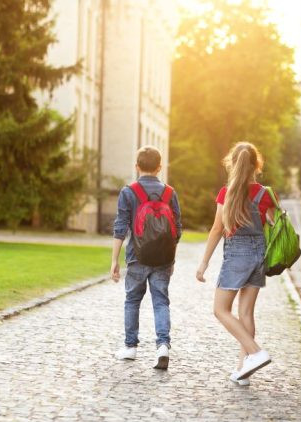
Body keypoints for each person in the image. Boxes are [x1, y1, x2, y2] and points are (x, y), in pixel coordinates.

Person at [196, 142, 276, 385]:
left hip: (237, 254)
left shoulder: (226, 193)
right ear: (257, 164)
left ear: (232, 163)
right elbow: (273, 225)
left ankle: (255, 352)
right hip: (258, 254)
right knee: (245, 313)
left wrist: (204, 264)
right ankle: (244, 370)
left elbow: (217, 229)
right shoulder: (266, 194)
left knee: (220, 309)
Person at [112, 145, 182, 370]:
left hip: (136, 257)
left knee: (132, 300)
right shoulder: (170, 193)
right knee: (161, 301)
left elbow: (121, 228)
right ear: (160, 167)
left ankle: (130, 348)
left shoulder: (128, 192)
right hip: (163, 259)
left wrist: (114, 260)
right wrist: (170, 257)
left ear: (137, 166)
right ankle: (163, 346)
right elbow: (177, 229)